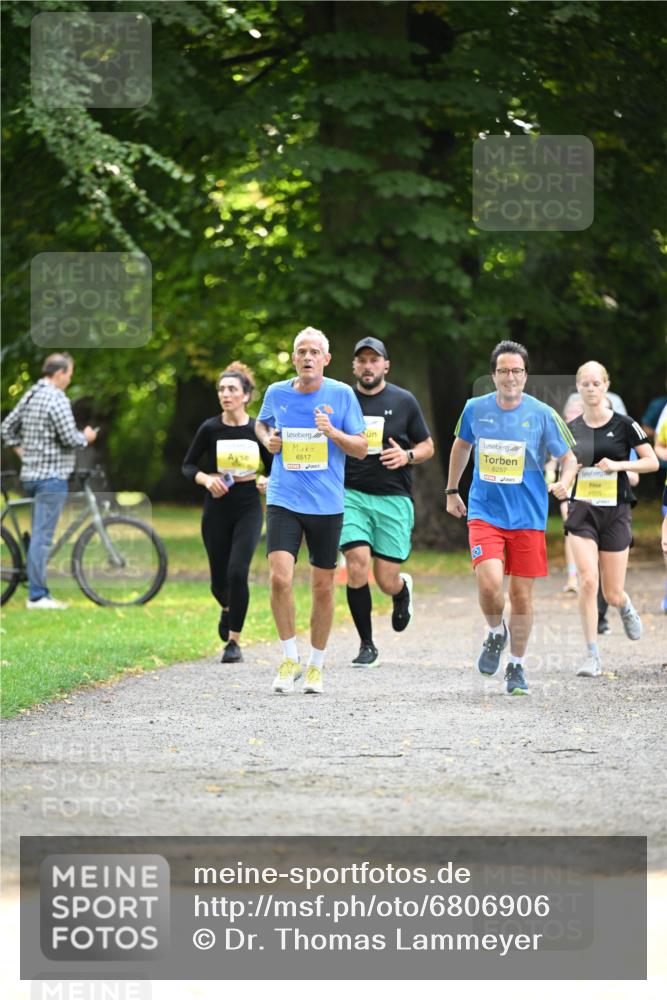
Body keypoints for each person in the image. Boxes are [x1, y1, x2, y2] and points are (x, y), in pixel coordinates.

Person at [445, 340, 578, 695]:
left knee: (521, 596)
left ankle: (516, 666)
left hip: (528, 518)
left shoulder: (543, 413)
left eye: (516, 371)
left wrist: (565, 483)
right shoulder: (475, 409)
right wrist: (451, 490)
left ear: (525, 375)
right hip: (485, 512)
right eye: (503, 371)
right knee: (489, 585)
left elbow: (569, 458)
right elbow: (461, 446)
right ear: (493, 375)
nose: (509, 377)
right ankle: (494, 632)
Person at [255, 327, 367, 694]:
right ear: (293, 358)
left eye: (314, 352)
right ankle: (290, 658)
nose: (307, 357)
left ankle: (316, 665)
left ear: (326, 359)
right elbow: (262, 422)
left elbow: (362, 448)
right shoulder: (277, 393)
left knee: (322, 586)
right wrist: (268, 440)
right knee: (279, 578)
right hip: (284, 497)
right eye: (301, 351)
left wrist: (333, 433)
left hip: (326, 504)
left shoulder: (342, 394)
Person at [558, 361, 658, 678]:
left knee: (611, 592)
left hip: (615, 512)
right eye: (584, 384)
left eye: (595, 383)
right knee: (588, 581)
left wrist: (619, 466)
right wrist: (563, 483)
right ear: (578, 388)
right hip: (582, 512)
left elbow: (652, 462)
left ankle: (624, 605)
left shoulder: (625, 424)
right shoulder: (571, 429)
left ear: (606, 386)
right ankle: (592, 655)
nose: (590, 388)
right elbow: (570, 464)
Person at [340, 336, 434, 666]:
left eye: (374, 360)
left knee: (385, 580)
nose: (368, 366)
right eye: (362, 360)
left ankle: (400, 591)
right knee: (356, 565)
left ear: (385, 365)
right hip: (350, 494)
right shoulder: (343, 399)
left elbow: (428, 446)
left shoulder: (404, 400)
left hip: (393, 497)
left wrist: (407, 455)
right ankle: (367, 645)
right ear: (354, 366)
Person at [182, 362, 272, 663]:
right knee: (218, 582)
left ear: (246, 395)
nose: (225, 394)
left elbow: (275, 469)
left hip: (248, 505)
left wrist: (266, 481)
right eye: (221, 389)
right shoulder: (210, 428)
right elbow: (188, 465)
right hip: (217, 506)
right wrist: (207, 479)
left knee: (237, 572)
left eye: (232, 389)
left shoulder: (257, 428)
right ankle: (226, 607)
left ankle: (233, 642)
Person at [0, 352, 97, 609]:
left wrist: (22, 452)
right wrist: (86, 437)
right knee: (43, 538)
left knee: (38, 535)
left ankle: (35, 585)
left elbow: (6, 427)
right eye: (69, 373)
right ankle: (37, 596)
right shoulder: (57, 398)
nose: (70, 378)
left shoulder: (30, 394)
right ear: (59, 373)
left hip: (30, 477)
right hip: (51, 478)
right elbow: (70, 438)